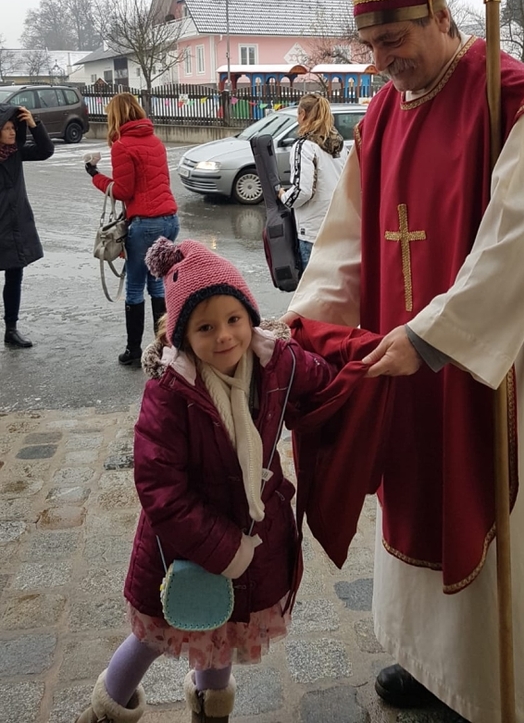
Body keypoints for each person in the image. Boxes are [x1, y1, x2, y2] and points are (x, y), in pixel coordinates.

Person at [284, 0, 524, 723]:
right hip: (405, 359)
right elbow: (346, 246)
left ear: (443, 13)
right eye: (369, 44)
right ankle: (431, 664)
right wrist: (299, 325)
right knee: (411, 499)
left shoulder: (513, 99)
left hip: (489, 360)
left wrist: (436, 336)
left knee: (490, 508)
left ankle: (489, 684)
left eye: (393, 37)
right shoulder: (379, 118)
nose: (381, 61)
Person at [75, 236, 346, 723]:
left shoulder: (274, 363)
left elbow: (324, 381)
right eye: (205, 327)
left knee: (221, 634)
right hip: (183, 543)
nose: (224, 336)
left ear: (249, 317)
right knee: (152, 636)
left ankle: (210, 710)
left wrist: (361, 369)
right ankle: (105, 710)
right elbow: (160, 487)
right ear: (182, 335)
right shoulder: (171, 390)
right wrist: (225, 550)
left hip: (252, 533)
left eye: (233, 319)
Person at [85, 92, 178, 366]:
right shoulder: (156, 141)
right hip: (169, 219)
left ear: (116, 116)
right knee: (157, 284)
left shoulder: (122, 146)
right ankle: (163, 346)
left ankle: (134, 351)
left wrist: (94, 175)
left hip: (146, 222)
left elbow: (123, 191)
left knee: (135, 287)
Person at [0, 104, 54, 348]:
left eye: (14, 127)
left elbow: (45, 150)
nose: (12, 132)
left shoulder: (16, 152)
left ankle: (11, 329)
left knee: (14, 276)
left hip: (15, 225)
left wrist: (34, 124)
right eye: (7, 128)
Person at [277, 93, 345, 270]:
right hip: (338, 225)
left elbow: (303, 191)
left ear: (302, 114)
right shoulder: (339, 145)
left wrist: (284, 196)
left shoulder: (303, 146)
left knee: (313, 283)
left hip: (312, 229)